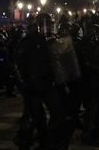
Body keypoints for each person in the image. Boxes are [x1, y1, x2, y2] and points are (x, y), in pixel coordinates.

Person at [14, 13, 71, 150]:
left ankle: (50, 140)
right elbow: (18, 64)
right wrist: (24, 84)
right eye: (43, 24)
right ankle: (29, 140)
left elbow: (60, 64)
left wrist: (63, 80)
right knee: (35, 118)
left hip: (48, 84)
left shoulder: (54, 40)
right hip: (32, 86)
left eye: (49, 24)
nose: (46, 27)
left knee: (57, 113)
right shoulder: (28, 41)